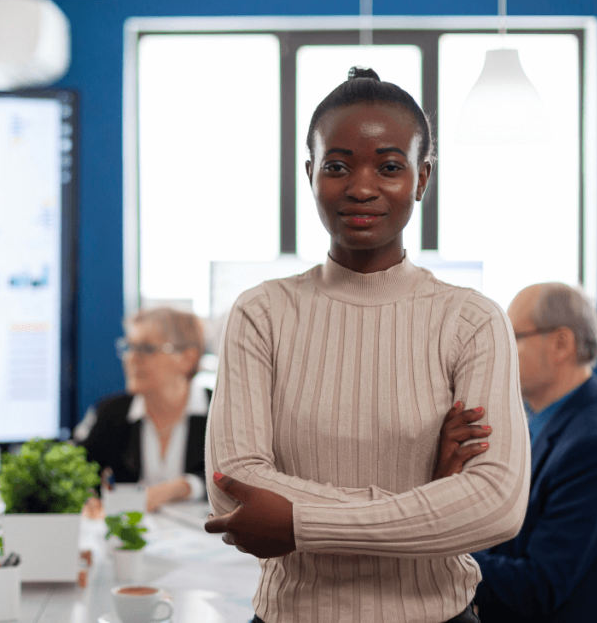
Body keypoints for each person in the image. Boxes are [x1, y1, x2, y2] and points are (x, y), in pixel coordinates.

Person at [204, 68, 531, 623]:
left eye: (389, 166)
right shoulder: (261, 313)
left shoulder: (471, 319)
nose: (361, 186)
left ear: (422, 178)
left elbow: (495, 505)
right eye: (336, 165)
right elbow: (233, 489)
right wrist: (427, 494)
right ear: (309, 174)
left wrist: (297, 523)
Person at [469, 283, 597, 623]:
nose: (499, 351)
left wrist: (442, 560)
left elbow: (539, 588)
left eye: (512, 337)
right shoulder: (562, 420)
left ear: (561, 343)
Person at [74, 307, 210, 513]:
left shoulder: (221, 412)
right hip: (132, 541)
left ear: (187, 358)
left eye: (147, 349)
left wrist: (182, 487)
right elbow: (78, 468)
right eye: (129, 347)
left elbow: (239, 479)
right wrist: (88, 497)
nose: (131, 358)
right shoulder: (112, 412)